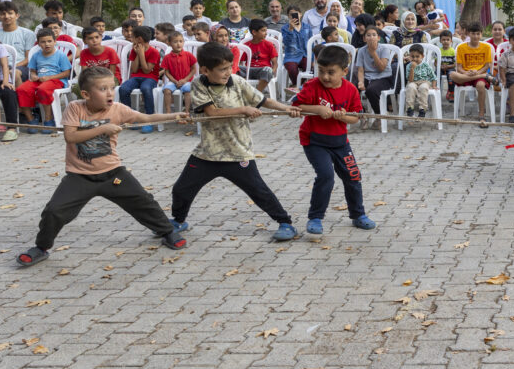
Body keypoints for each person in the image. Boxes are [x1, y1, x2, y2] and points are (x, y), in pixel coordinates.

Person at [15, 67, 188, 267]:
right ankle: (41, 247)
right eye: (103, 88)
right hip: (79, 176)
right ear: (87, 94)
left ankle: (166, 231)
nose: (109, 93)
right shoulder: (75, 108)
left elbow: (145, 118)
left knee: (143, 201)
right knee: (54, 211)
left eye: (112, 88)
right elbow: (70, 136)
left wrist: (175, 115)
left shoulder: (118, 109)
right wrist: (103, 128)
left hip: (112, 174)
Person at [168, 43, 298, 241]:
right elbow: (212, 113)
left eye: (229, 66)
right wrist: (243, 110)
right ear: (204, 70)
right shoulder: (198, 85)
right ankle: (178, 221)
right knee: (181, 189)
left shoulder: (237, 81)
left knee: (259, 191)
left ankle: (285, 223)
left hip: (238, 153)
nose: (228, 72)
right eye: (222, 69)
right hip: (208, 153)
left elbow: (263, 101)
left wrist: (286, 109)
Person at [289, 44, 373, 235]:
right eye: (321, 71)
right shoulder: (311, 86)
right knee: (326, 176)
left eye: (330, 72)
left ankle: (358, 215)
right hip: (314, 141)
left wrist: (342, 116)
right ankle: (315, 217)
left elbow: (355, 118)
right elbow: (296, 106)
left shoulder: (351, 90)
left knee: (353, 177)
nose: (325, 77)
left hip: (340, 142)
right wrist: (317, 109)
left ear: (344, 71)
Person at [17, 28, 72, 131]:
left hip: (56, 80)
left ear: (55, 42)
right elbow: (33, 70)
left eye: (49, 41)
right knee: (21, 90)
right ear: (38, 43)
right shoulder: (36, 56)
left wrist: (49, 77)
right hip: (39, 80)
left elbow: (66, 73)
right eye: (43, 42)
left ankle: (48, 119)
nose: (47, 44)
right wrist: (33, 75)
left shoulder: (61, 56)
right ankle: (31, 120)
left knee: (43, 90)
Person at [118, 25, 161, 129]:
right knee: (123, 89)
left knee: (145, 88)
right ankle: (130, 118)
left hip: (151, 78)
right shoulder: (134, 50)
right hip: (136, 77)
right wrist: (137, 54)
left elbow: (147, 70)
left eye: (133, 37)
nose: (131, 39)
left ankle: (148, 120)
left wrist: (141, 54)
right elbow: (134, 70)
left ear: (139, 39)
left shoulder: (154, 52)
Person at [450, 23, 493, 126]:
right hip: (465, 75)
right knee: (452, 74)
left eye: (478, 34)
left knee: (481, 85)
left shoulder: (486, 47)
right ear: (469, 34)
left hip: (479, 73)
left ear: (481, 34)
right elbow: (459, 67)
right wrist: (467, 73)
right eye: (473, 34)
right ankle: (484, 77)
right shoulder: (461, 48)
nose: (475, 36)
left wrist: (478, 73)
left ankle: (481, 115)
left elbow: (487, 66)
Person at [354, 28, 393, 128]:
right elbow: (361, 70)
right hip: (368, 77)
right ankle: (362, 115)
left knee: (371, 90)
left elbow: (381, 68)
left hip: (383, 77)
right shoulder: (362, 51)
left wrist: (373, 53)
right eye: (368, 35)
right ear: (364, 38)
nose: (371, 37)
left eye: (374, 35)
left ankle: (379, 115)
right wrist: (361, 82)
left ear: (378, 38)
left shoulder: (384, 49)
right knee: (352, 89)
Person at [0, 1, 36, 80]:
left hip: (21, 67)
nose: (6, 16)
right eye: (3, 14)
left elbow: (28, 59)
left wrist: (13, 67)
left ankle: (18, 92)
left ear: (17, 15)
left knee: (14, 73)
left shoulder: (28, 34)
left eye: (10, 13)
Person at [0, 27, 18, 141]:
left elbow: (5, 66)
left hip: (1, 78)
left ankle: (12, 128)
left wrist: (6, 81)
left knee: (9, 93)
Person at [160, 31, 197, 114]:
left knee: (188, 90)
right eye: (175, 42)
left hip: (186, 81)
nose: (178, 44)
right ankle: (168, 111)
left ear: (183, 42)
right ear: (169, 43)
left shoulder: (188, 55)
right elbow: (166, 72)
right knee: (166, 90)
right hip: (173, 82)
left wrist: (185, 80)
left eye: (180, 41)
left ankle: (187, 111)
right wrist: (174, 81)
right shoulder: (167, 57)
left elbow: (194, 69)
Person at [403, 43, 436, 118]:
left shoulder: (426, 65)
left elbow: (433, 76)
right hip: (413, 81)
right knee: (411, 87)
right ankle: (410, 108)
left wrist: (434, 85)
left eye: (417, 56)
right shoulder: (409, 66)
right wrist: (412, 68)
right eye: (412, 57)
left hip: (424, 81)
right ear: (409, 56)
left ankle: (422, 109)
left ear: (422, 56)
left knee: (423, 88)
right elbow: (410, 80)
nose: (414, 59)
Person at [281, 5, 310, 87]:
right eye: (291, 14)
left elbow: (311, 42)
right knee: (292, 68)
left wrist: (312, 58)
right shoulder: (285, 28)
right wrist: (290, 29)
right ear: (288, 16)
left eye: (296, 14)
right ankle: (299, 86)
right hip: (291, 55)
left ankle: (297, 86)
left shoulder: (307, 27)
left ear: (300, 14)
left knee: (309, 68)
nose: (293, 16)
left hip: (305, 54)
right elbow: (286, 42)